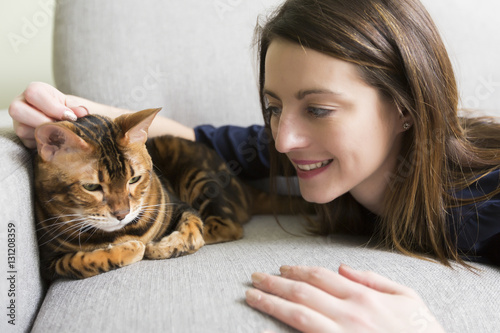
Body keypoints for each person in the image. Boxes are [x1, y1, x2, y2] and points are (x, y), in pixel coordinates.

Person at [9, 0, 500, 331]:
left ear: (405, 107)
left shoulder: (486, 201)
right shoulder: (304, 150)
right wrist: (68, 116)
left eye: (318, 109)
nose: (282, 139)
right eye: (273, 107)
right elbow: (200, 143)